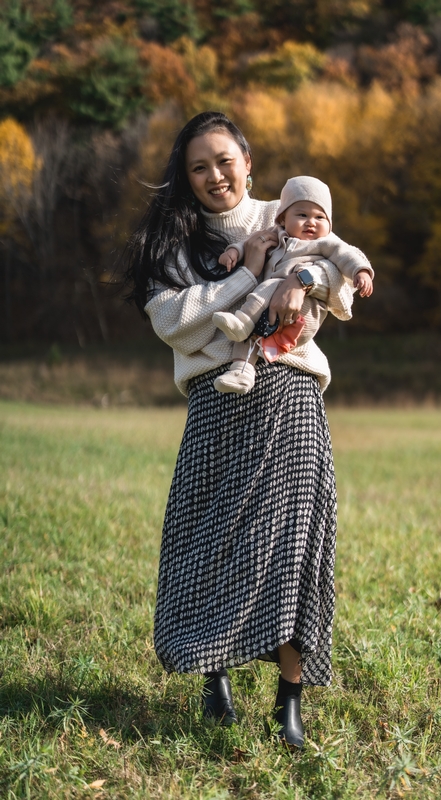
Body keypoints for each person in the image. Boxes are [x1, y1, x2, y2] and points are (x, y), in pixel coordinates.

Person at [125, 111, 353, 749]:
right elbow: (177, 324)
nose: (214, 175)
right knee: (211, 541)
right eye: (199, 166)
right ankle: (214, 673)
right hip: (217, 405)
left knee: (292, 550)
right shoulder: (174, 241)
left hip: (291, 399)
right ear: (186, 176)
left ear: (248, 162)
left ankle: (290, 704)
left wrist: (303, 278)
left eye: (224, 160)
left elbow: (337, 268)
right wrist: (251, 278)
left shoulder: (284, 215)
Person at [211, 175, 374, 394]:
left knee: (268, 288)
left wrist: (361, 271)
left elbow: (347, 256)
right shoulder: (276, 234)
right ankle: (241, 373)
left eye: (319, 217)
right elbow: (248, 243)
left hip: (304, 312)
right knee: (253, 335)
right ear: (282, 219)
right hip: (271, 308)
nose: (311, 222)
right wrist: (233, 252)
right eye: (302, 214)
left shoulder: (326, 243)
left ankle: (242, 320)